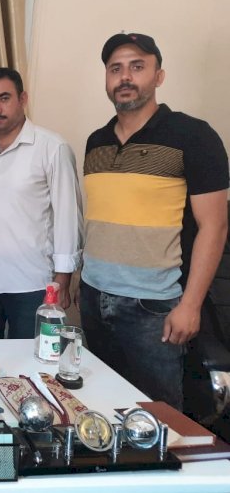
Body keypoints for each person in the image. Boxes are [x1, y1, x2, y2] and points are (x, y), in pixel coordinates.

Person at [80, 33, 228, 410]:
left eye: (137, 66)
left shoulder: (193, 135)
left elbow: (215, 226)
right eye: (115, 69)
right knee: (100, 408)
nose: (125, 77)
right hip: (94, 297)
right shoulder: (96, 142)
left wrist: (190, 305)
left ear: (158, 76)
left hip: (152, 307)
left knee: (157, 417)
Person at [0, 67, 82, 339]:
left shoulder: (52, 148)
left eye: (4, 98)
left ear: (22, 99)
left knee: (29, 359)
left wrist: (63, 278)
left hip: (30, 283)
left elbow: (68, 218)